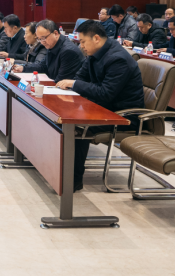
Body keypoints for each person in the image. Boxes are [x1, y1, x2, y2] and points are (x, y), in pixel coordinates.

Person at [56, 20, 144, 192]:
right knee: (58, 118)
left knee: (74, 126)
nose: (81, 46)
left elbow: (105, 93)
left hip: (122, 116)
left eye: (83, 42)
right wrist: (76, 84)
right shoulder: (95, 53)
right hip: (102, 108)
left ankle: (72, 181)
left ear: (96, 38)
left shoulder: (118, 59)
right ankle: (57, 169)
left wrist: (74, 84)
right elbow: (80, 78)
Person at [14, 19, 84, 82]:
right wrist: (23, 68)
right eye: (39, 39)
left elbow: (61, 81)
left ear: (56, 33)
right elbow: (42, 66)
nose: (42, 42)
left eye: (44, 38)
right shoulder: (52, 44)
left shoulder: (68, 52)